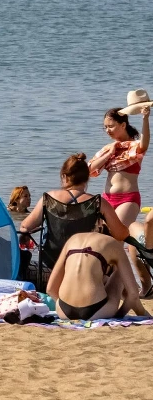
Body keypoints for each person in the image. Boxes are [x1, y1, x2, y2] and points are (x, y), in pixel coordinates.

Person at [46, 231, 148, 320]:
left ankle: (143, 313)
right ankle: (142, 313)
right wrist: (117, 316)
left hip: (63, 311)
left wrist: (65, 304)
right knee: (120, 274)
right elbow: (133, 294)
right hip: (96, 311)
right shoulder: (113, 243)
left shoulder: (73, 239)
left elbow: (50, 289)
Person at [89, 90, 151, 228]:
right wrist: (109, 153)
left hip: (128, 199)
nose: (107, 130)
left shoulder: (133, 147)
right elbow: (89, 171)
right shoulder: (108, 148)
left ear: (123, 125)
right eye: (105, 127)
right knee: (100, 237)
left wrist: (145, 118)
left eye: (111, 126)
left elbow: (144, 143)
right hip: (107, 199)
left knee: (116, 236)